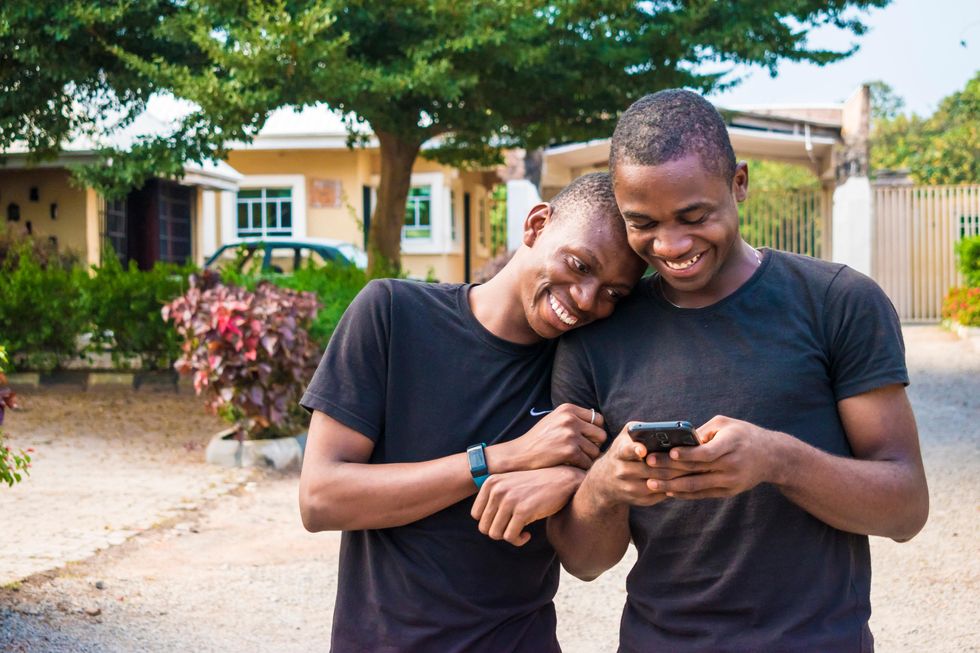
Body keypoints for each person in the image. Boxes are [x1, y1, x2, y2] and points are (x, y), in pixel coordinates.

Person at [546, 90, 930, 652]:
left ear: (740, 183)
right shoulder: (596, 336)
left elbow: (906, 508)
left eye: (694, 216)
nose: (671, 245)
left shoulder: (836, 301)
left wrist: (777, 460)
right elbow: (582, 562)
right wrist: (605, 487)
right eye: (642, 223)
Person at [298, 171, 646, 652]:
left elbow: (587, 562)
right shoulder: (393, 313)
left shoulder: (586, 371)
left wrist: (582, 482)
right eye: (579, 265)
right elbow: (321, 499)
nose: (587, 299)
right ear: (536, 224)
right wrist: (499, 459)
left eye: (613, 293)